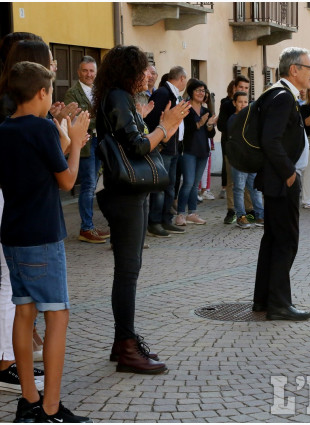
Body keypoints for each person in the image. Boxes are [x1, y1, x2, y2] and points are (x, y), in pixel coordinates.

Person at [0, 60, 92, 422]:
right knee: (58, 316)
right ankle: (50, 408)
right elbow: (67, 181)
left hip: (14, 233)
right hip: (42, 235)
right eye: (50, 90)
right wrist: (77, 143)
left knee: (24, 312)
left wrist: (64, 137)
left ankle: (29, 400)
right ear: (41, 92)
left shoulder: (5, 128)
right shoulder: (40, 129)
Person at [93, 45, 187, 374]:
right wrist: (165, 127)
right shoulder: (118, 96)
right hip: (123, 195)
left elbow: (133, 139)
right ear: (127, 71)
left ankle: (123, 344)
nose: (148, 74)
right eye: (143, 68)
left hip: (127, 192)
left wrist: (157, 126)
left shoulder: (119, 96)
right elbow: (136, 145)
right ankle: (127, 347)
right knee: (128, 271)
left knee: (128, 270)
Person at [0, 38, 59, 396]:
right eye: (47, 60)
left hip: (7, 198)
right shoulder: (7, 105)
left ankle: (17, 358)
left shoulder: (6, 101)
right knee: (11, 290)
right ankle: (6, 365)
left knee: (17, 290)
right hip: (9, 199)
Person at [253, 47, 310, 321]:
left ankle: (264, 300)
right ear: (294, 70)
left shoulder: (280, 94)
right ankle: (278, 304)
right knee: (285, 242)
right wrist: (290, 173)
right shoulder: (281, 97)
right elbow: (271, 139)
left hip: (278, 181)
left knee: (273, 241)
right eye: (309, 68)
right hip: (282, 181)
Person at [64, 56, 110, 244]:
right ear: (78, 72)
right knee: (88, 185)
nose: (89, 74)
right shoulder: (72, 93)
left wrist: (94, 118)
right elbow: (75, 121)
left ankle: (90, 225)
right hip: (85, 145)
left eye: (92, 71)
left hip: (99, 142)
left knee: (96, 185)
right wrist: (97, 119)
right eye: (85, 70)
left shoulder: (99, 91)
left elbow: (105, 115)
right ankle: (86, 228)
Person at [144, 65, 189, 237]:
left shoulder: (174, 94)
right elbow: (154, 120)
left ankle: (165, 220)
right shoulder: (163, 93)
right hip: (163, 147)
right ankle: (154, 222)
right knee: (160, 187)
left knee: (170, 187)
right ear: (182, 79)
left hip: (174, 147)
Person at [174, 79, 217, 226]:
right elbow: (185, 131)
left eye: (203, 91)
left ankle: (192, 213)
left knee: (195, 185)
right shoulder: (185, 108)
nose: (201, 93)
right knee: (187, 183)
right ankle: (180, 214)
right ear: (191, 92)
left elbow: (211, 134)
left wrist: (210, 126)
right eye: (198, 90)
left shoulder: (206, 111)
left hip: (203, 152)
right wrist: (200, 123)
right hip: (188, 151)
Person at [216, 76, 251, 224]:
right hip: (230, 148)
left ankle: (249, 210)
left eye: (246, 88)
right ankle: (232, 210)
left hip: (247, 150)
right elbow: (222, 126)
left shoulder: (250, 106)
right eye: (241, 87)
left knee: (248, 181)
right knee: (231, 180)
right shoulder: (226, 104)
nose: (243, 90)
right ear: (235, 87)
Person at [228, 91, 265, 229]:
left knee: (255, 187)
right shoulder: (233, 119)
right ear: (234, 103)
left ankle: (260, 215)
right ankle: (241, 216)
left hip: (252, 159)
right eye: (240, 102)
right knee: (239, 188)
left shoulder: (252, 118)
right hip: (239, 159)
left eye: (245, 102)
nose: (243, 104)